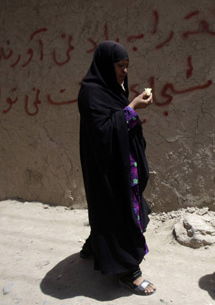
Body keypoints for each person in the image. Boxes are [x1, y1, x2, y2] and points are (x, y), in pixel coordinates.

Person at [78, 41, 155, 296]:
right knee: (117, 213)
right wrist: (132, 108)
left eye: (126, 66)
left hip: (122, 165)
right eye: (120, 66)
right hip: (105, 169)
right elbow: (102, 132)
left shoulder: (113, 89)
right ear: (105, 66)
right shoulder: (90, 93)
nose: (124, 71)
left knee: (117, 211)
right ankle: (129, 271)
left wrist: (129, 106)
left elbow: (117, 120)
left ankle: (96, 246)